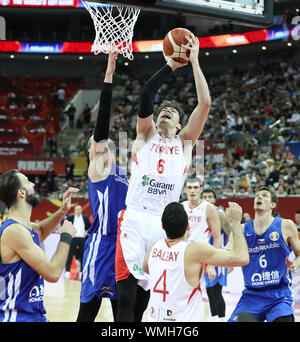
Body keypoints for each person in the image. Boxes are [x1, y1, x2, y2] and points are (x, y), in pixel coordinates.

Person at [115, 33, 211, 322]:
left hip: (161, 226)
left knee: (145, 301)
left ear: (181, 124)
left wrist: (194, 62)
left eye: (172, 112)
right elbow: (146, 95)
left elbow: (204, 103)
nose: (165, 112)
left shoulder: (185, 144)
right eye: (163, 110)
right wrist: (170, 64)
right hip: (134, 219)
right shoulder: (144, 135)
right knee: (126, 298)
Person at [76, 52, 128, 322]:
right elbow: (102, 126)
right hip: (101, 244)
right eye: (97, 144)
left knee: (122, 313)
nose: (102, 144)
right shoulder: (97, 168)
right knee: (88, 312)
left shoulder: (123, 171)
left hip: (123, 245)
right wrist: (109, 77)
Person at [143, 201, 249, 322]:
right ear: (188, 226)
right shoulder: (194, 250)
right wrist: (235, 223)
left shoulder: (154, 247)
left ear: (163, 227)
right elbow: (242, 258)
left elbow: (146, 268)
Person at [0, 169, 78, 322]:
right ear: (21, 193)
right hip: (17, 317)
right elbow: (53, 273)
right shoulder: (14, 231)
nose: (34, 184)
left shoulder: (23, 227)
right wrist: (66, 237)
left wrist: (63, 210)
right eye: (28, 182)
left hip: (32, 315)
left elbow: (40, 231)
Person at [228, 186, 300, 322]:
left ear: (273, 205)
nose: (259, 197)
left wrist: (295, 264)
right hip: (251, 296)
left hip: (278, 296)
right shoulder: (242, 229)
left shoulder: (286, 225)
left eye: (264, 195)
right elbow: (228, 251)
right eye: (257, 195)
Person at [182, 179, 221, 283]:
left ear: (200, 190)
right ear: (185, 190)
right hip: (182, 254)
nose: (192, 191)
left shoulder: (209, 208)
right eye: (189, 188)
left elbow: (217, 238)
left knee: (195, 291)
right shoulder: (182, 207)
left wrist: (212, 265)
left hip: (200, 256)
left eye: (195, 187)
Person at [201, 188, 231, 322]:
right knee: (209, 291)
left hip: (217, 256)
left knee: (216, 291)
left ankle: (222, 319)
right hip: (204, 256)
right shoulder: (199, 214)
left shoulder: (220, 214)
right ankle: (214, 319)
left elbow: (232, 234)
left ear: (214, 199)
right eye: (205, 197)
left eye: (210, 197)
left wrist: (230, 257)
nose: (207, 199)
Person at [65, 205, 91, 279]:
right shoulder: (71, 218)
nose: (78, 211)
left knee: (83, 255)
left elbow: (90, 227)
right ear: (75, 210)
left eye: (79, 209)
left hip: (82, 238)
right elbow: (66, 225)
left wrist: (87, 232)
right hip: (73, 238)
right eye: (77, 209)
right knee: (70, 254)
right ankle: (67, 270)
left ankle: (81, 271)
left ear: (81, 210)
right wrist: (69, 233)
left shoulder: (85, 218)